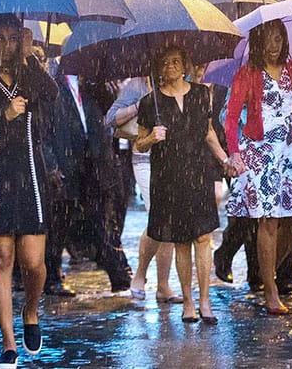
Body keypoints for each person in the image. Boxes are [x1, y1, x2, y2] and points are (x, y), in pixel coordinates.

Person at [0, 15, 60, 368]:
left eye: (12, 38)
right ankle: (8, 342)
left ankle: (31, 311)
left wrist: (32, 58)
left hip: (31, 176)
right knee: (1, 256)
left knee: (34, 263)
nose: (5, 45)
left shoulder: (30, 76)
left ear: (21, 40)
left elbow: (54, 95)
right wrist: (2, 115)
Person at [225, 20, 292, 315]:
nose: (273, 46)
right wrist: (234, 153)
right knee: (268, 220)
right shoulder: (247, 74)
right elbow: (231, 119)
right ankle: (270, 290)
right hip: (262, 152)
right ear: (257, 43)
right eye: (267, 39)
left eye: (278, 38)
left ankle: (263, 271)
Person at [135, 46, 228, 324]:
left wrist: (224, 158)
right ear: (158, 68)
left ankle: (205, 299)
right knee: (181, 242)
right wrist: (152, 137)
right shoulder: (149, 103)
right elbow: (139, 144)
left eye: (176, 61)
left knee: (202, 237)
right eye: (165, 63)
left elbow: (209, 132)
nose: (171, 66)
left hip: (198, 172)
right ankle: (188, 301)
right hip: (167, 177)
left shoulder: (202, 95)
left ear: (185, 65)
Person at [44, 73, 132, 296]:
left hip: (92, 161)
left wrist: (99, 83)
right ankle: (52, 277)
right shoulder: (52, 85)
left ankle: (116, 273)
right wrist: (51, 164)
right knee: (60, 223)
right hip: (66, 161)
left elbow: (108, 109)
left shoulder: (93, 84)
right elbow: (43, 130)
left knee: (97, 218)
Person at [107, 77, 181, 303]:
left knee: (168, 222)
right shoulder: (139, 85)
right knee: (160, 218)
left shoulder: (180, 82)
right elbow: (111, 118)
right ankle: (140, 275)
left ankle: (163, 285)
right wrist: (140, 105)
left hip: (174, 159)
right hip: (145, 159)